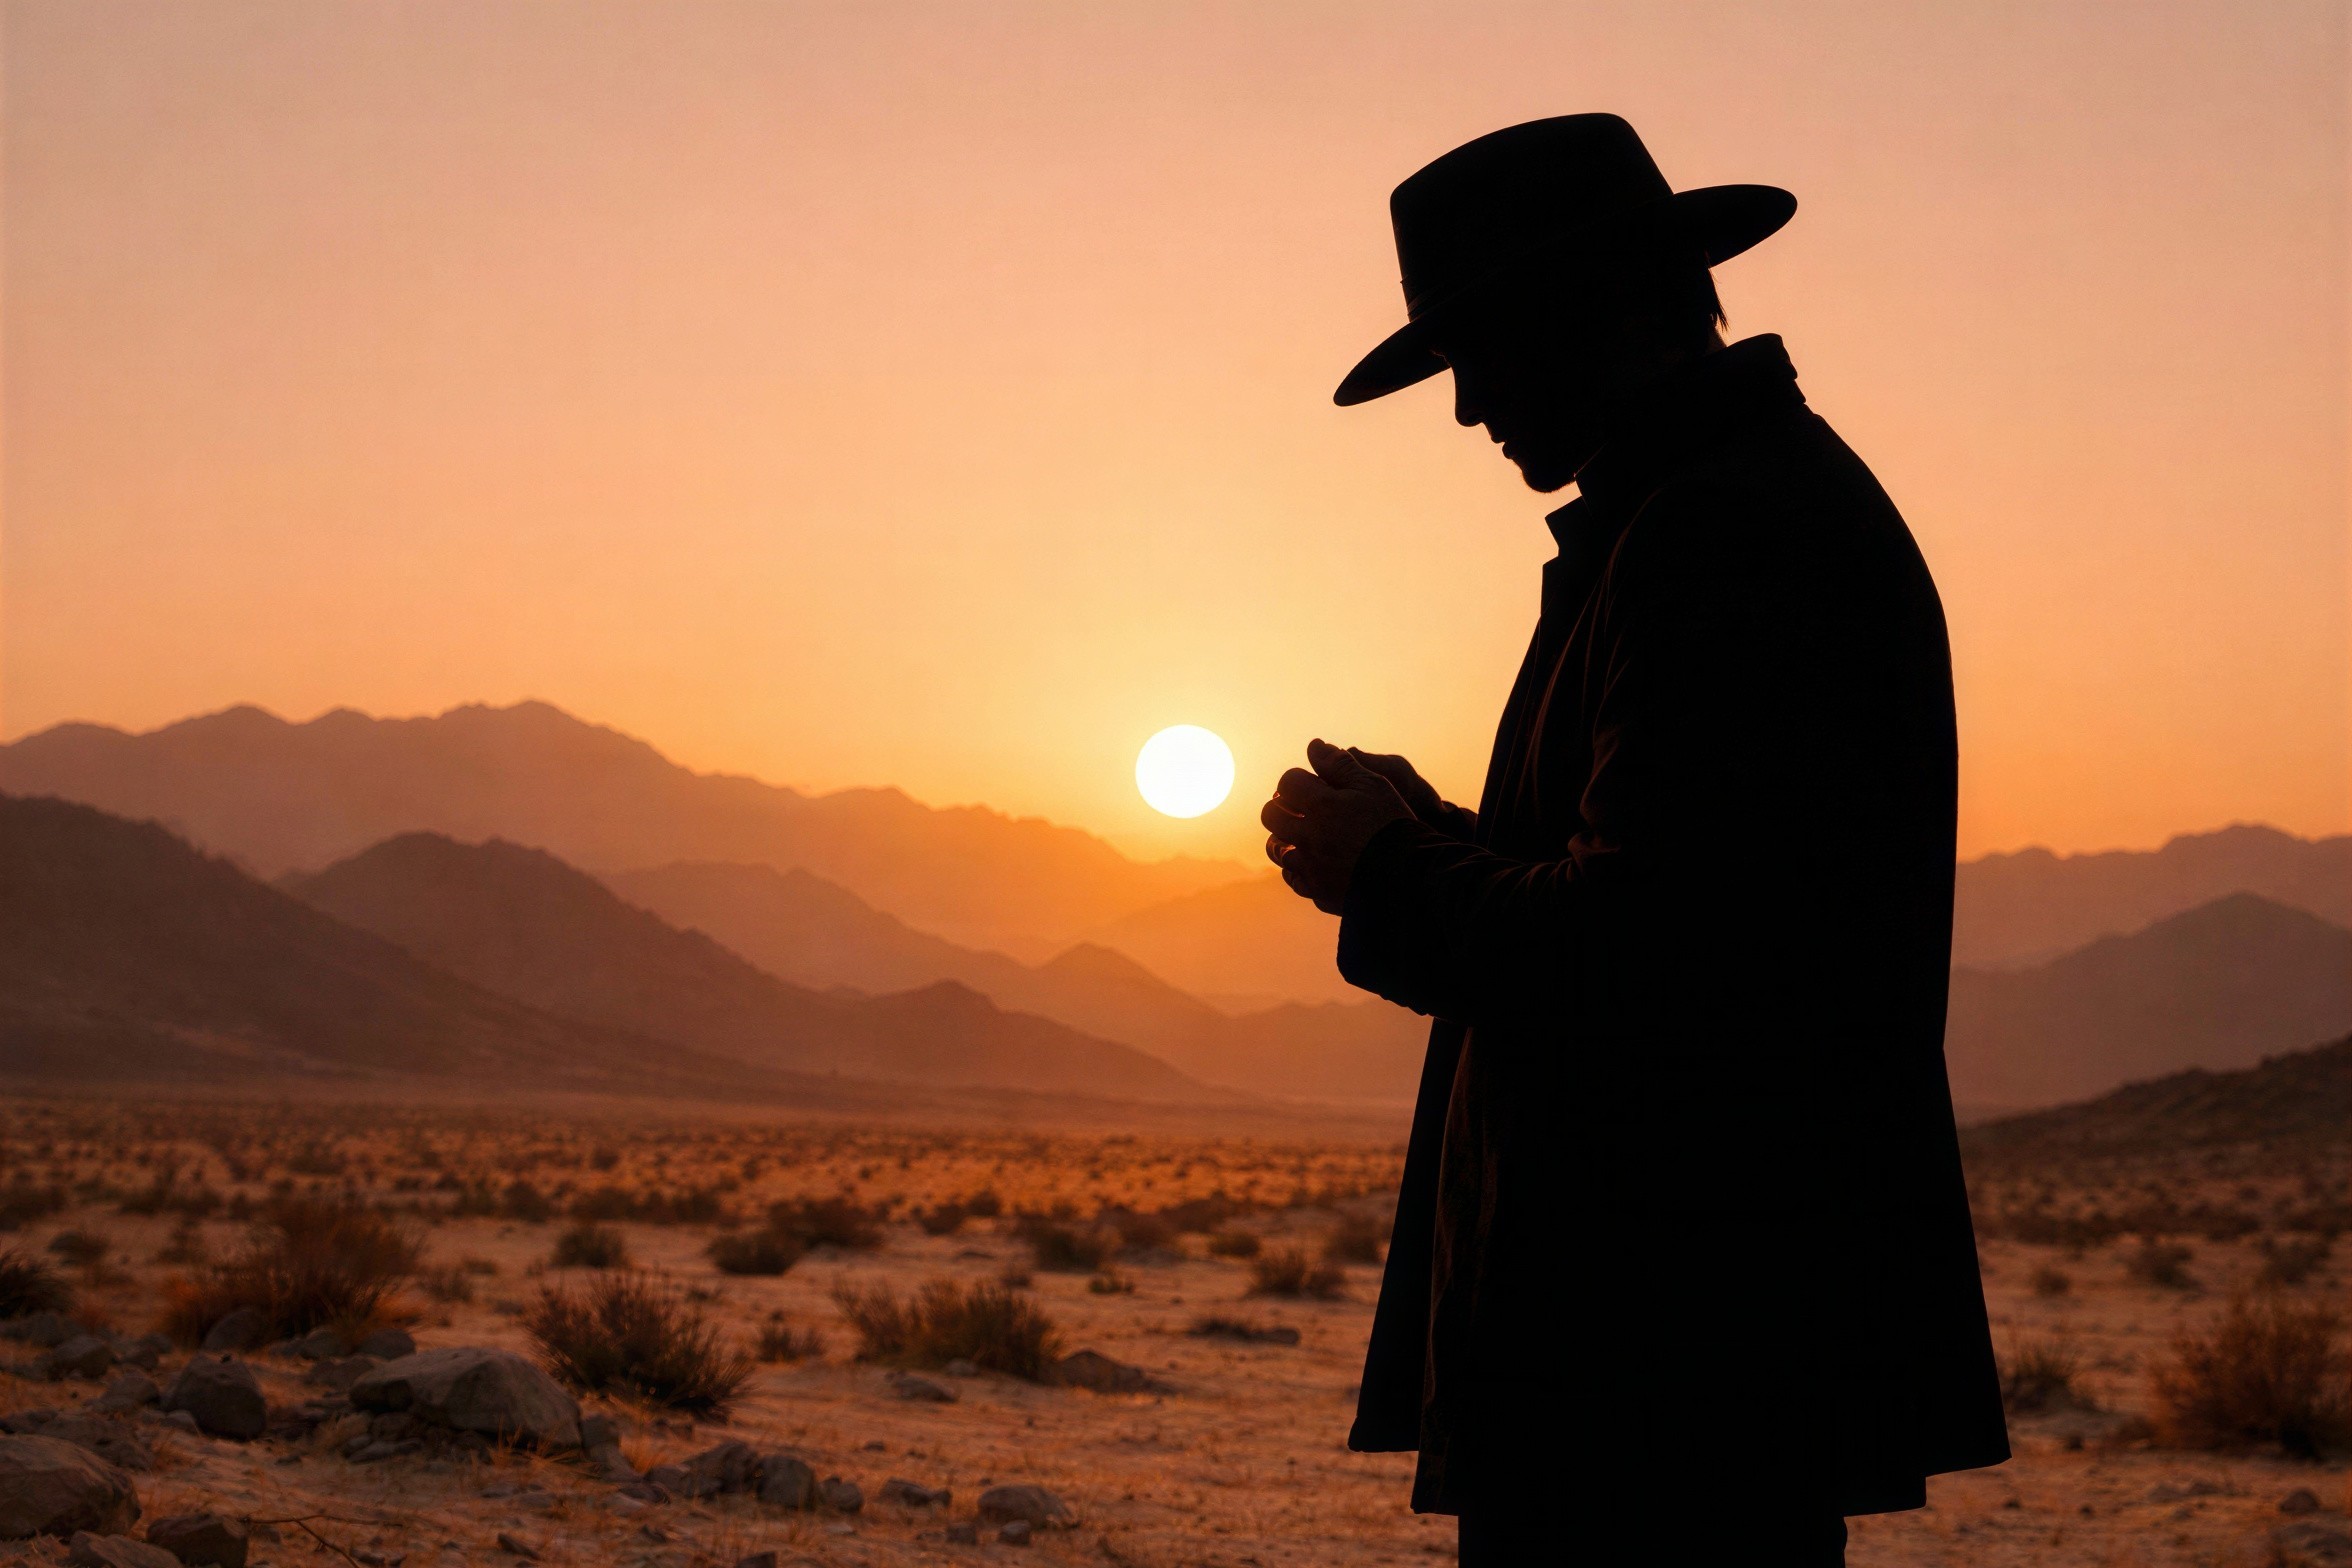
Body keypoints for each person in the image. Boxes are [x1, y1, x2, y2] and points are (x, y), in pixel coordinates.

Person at [1260, 114, 2009, 1566]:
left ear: (1594, 310)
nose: (1471, 407)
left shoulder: (1724, 538)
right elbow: (1680, 888)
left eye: (1482, 351)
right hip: (1677, 1346)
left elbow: (1657, 959)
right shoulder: (1711, 513)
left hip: (1667, 1346)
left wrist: (1396, 873)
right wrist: (1438, 834)